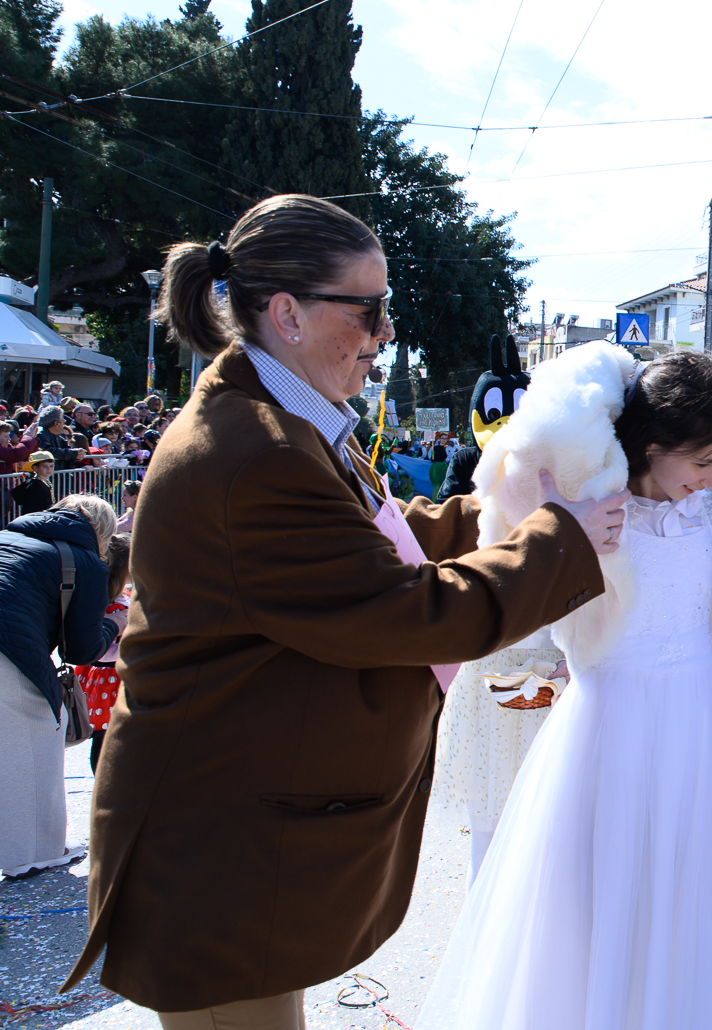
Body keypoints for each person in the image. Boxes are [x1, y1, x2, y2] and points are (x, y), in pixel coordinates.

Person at [62, 193, 624, 1027]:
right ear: (287, 314)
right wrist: (559, 541)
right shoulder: (258, 453)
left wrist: (500, 511)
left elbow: (376, 536)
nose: (384, 332)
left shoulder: (278, 418)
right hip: (220, 850)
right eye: (367, 310)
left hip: (237, 830)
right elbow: (405, 611)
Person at [419, 349, 712, 1029]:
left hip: (695, 719)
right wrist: (562, 518)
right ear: (652, 446)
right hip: (608, 720)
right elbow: (512, 483)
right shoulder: (590, 511)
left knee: (680, 889)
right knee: (588, 888)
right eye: (702, 462)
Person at [0, 495, 121, 880]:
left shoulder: (9, 535)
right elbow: (83, 649)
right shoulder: (85, 560)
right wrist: (116, 625)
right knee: (36, 741)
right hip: (10, 648)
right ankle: (33, 851)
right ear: (103, 532)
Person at [75, 532, 132, 774]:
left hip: (113, 677)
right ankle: (103, 781)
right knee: (104, 737)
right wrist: (131, 648)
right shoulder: (109, 606)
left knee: (115, 735)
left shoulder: (121, 598)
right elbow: (103, 653)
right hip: (107, 679)